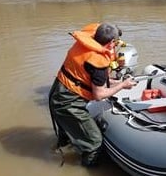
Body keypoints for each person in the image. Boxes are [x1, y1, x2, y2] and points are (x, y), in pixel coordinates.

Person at [49, 22, 137, 167]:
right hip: (68, 103)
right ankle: (85, 174)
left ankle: (60, 148)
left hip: (58, 90)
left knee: (66, 135)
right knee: (94, 142)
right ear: (110, 43)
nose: (116, 47)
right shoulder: (98, 62)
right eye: (115, 44)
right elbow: (99, 95)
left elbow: (88, 76)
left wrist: (113, 81)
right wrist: (122, 85)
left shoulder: (87, 42)